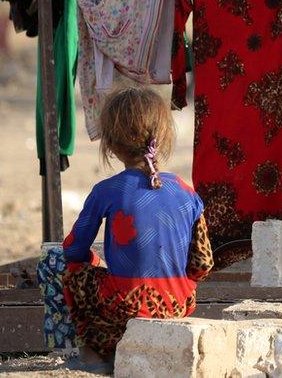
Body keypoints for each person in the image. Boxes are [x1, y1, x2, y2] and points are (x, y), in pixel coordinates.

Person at [36, 86, 214, 370]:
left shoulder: (106, 190)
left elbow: (73, 250)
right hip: (178, 305)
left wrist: (97, 262)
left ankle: (92, 354)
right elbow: (202, 265)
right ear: (162, 138)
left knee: (53, 261)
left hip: (121, 306)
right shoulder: (187, 192)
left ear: (111, 145)